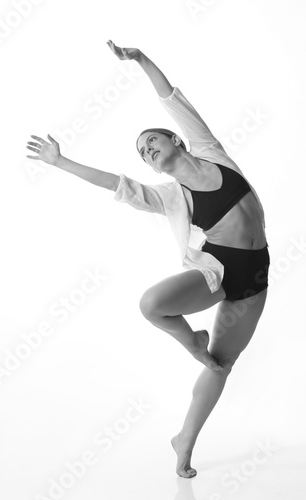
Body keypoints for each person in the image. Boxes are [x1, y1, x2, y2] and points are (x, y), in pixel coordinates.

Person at [26, 40, 270, 479]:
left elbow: (171, 97)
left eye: (151, 141)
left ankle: (183, 442)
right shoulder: (167, 195)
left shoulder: (210, 150)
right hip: (216, 270)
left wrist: (140, 60)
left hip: (256, 276)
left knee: (222, 366)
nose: (146, 150)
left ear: (174, 139)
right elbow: (114, 183)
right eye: (142, 152)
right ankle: (191, 342)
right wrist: (60, 161)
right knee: (152, 305)